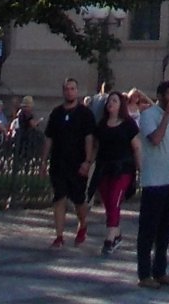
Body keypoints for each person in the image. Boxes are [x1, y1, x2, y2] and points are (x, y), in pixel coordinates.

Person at [135, 80, 169, 288]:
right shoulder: (149, 116)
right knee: (149, 229)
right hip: (154, 182)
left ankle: (160, 270)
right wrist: (166, 115)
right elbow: (155, 139)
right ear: (161, 96)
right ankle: (144, 274)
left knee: (166, 229)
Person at [43, 77, 96, 249]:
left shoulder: (85, 114)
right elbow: (49, 138)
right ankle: (59, 236)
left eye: (73, 89)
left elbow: (89, 138)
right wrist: (43, 161)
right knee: (59, 198)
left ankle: (83, 224)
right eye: (67, 89)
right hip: (58, 162)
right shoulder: (56, 113)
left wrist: (87, 161)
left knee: (78, 200)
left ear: (77, 91)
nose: (69, 92)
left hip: (78, 162)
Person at [89, 92, 139, 256]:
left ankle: (109, 239)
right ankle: (116, 233)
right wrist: (88, 162)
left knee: (114, 199)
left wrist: (140, 167)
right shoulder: (102, 125)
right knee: (108, 202)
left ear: (121, 105)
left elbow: (137, 147)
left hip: (122, 168)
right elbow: (95, 146)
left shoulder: (128, 125)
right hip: (104, 168)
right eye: (109, 100)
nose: (111, 103)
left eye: (115, 100)